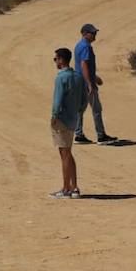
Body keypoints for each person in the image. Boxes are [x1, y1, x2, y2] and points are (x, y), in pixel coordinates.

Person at [49, 47, 87, 198]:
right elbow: (84, 101)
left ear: (61, 60)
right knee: (68, 153)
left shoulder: (60, 78)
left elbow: (57, 101)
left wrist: (54, 116)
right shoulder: (78, 76)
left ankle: (66, 189)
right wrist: (78, 113)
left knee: (64, 154)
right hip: (73, 120)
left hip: (62, 120)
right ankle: (74, 187)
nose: (55, 62)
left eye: (56, 59)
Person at [73, 23, 116, 145]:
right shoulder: (86, 47)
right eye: (92, 33)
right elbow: (84, 65)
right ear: (85, 34)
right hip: (86, 83)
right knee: (96, 109)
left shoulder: (79, 45)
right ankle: (101, 136)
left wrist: (95, 77)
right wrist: (90, 83)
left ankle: (79, 134)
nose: (95, 34)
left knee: (80, 109)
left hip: (80, 82)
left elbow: (82, 66)